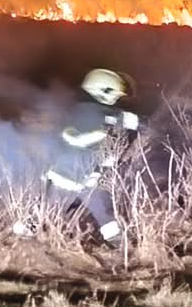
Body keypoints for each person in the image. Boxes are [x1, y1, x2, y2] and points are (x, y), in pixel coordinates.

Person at [44, 67, 142, 243]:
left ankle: (122, 247)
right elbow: (77, 139)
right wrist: (116, 129)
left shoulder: (95, 112)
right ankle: (19, 241)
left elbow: (113, 143)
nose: (117, 98)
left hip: (81, 177)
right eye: (114, 94)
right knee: (47, 211)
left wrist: (126, 126)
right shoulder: (88, 113)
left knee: (103, 215)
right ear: (100, 91)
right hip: (74, 176)